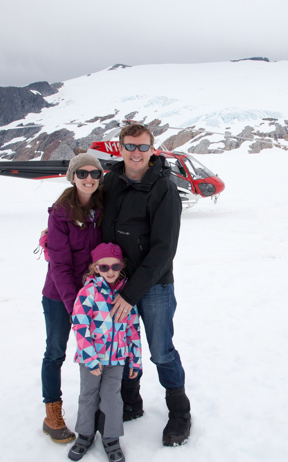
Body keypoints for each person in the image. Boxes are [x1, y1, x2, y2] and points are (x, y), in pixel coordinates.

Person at [102, 123, 191, 446]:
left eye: (142, 147)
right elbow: (87, 211)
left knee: (161, 351)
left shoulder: (163, 188)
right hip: (116, 282)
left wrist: (130, 293)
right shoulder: (110, 181)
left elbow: (164, 249)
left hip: (154, 285)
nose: (135, 153)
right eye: (129, 146)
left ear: (152, 149)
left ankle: (179, 410)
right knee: (123, 347)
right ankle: (130, 401)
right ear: (120, 148)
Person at [40, 154, 104, 444]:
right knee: (55, 351)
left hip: (95, 294)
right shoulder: (61, 213)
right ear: (72, 176)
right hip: (59, 295)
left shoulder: (103, 206)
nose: (89, 178)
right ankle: (52, 412)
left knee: (97, 351)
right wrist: (74, 306)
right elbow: (60, 266)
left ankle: (98, 408)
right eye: (82, 173)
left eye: (95, 173)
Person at [68, 243, 141, 462]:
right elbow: (80, 325)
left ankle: (111, 438)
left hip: (116, 359)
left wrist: (135, 360)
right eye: (104, 267)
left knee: (112, 398)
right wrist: (90, 358)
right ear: (95, 268)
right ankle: (85, 434)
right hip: (90, 359)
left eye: (115, 266)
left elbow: (133, 329)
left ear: (122, 266)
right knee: (88, 396)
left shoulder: (127, 295)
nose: (110, 271)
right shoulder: (88, 292)